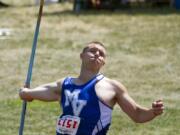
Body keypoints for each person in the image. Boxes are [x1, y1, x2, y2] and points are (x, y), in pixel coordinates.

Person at [19, 41, 164, 135]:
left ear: (104, 63)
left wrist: (153, 112)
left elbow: (137, 114)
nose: (97, 54)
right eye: (93, 50)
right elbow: (37, 92)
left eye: (101, 54)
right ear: (81, 56)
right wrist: (25, 93)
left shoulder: (112, 87)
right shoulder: (64, 84)